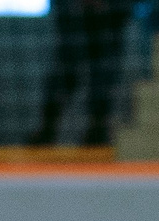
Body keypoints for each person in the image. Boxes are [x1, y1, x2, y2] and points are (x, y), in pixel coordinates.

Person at [30, 0, 131, 148]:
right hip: (74, 15)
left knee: (103, 74)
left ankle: (96, 132)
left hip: (109, 17)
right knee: (65, 72)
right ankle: (47, 131)